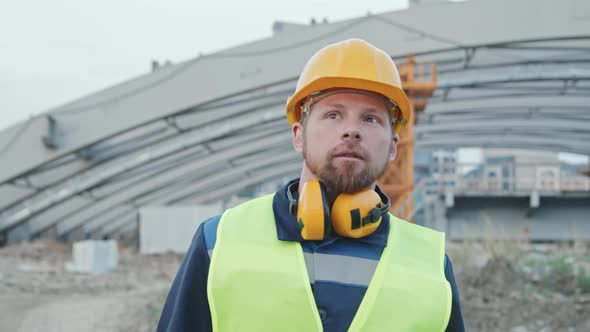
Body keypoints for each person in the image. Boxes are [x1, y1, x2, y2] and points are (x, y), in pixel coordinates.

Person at [157, 38, 465, 332]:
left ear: (394, 146)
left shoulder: (432, 268)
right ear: (298, 135)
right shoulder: (218, 243)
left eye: (371, 119)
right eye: (333, 114)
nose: (351, 131)